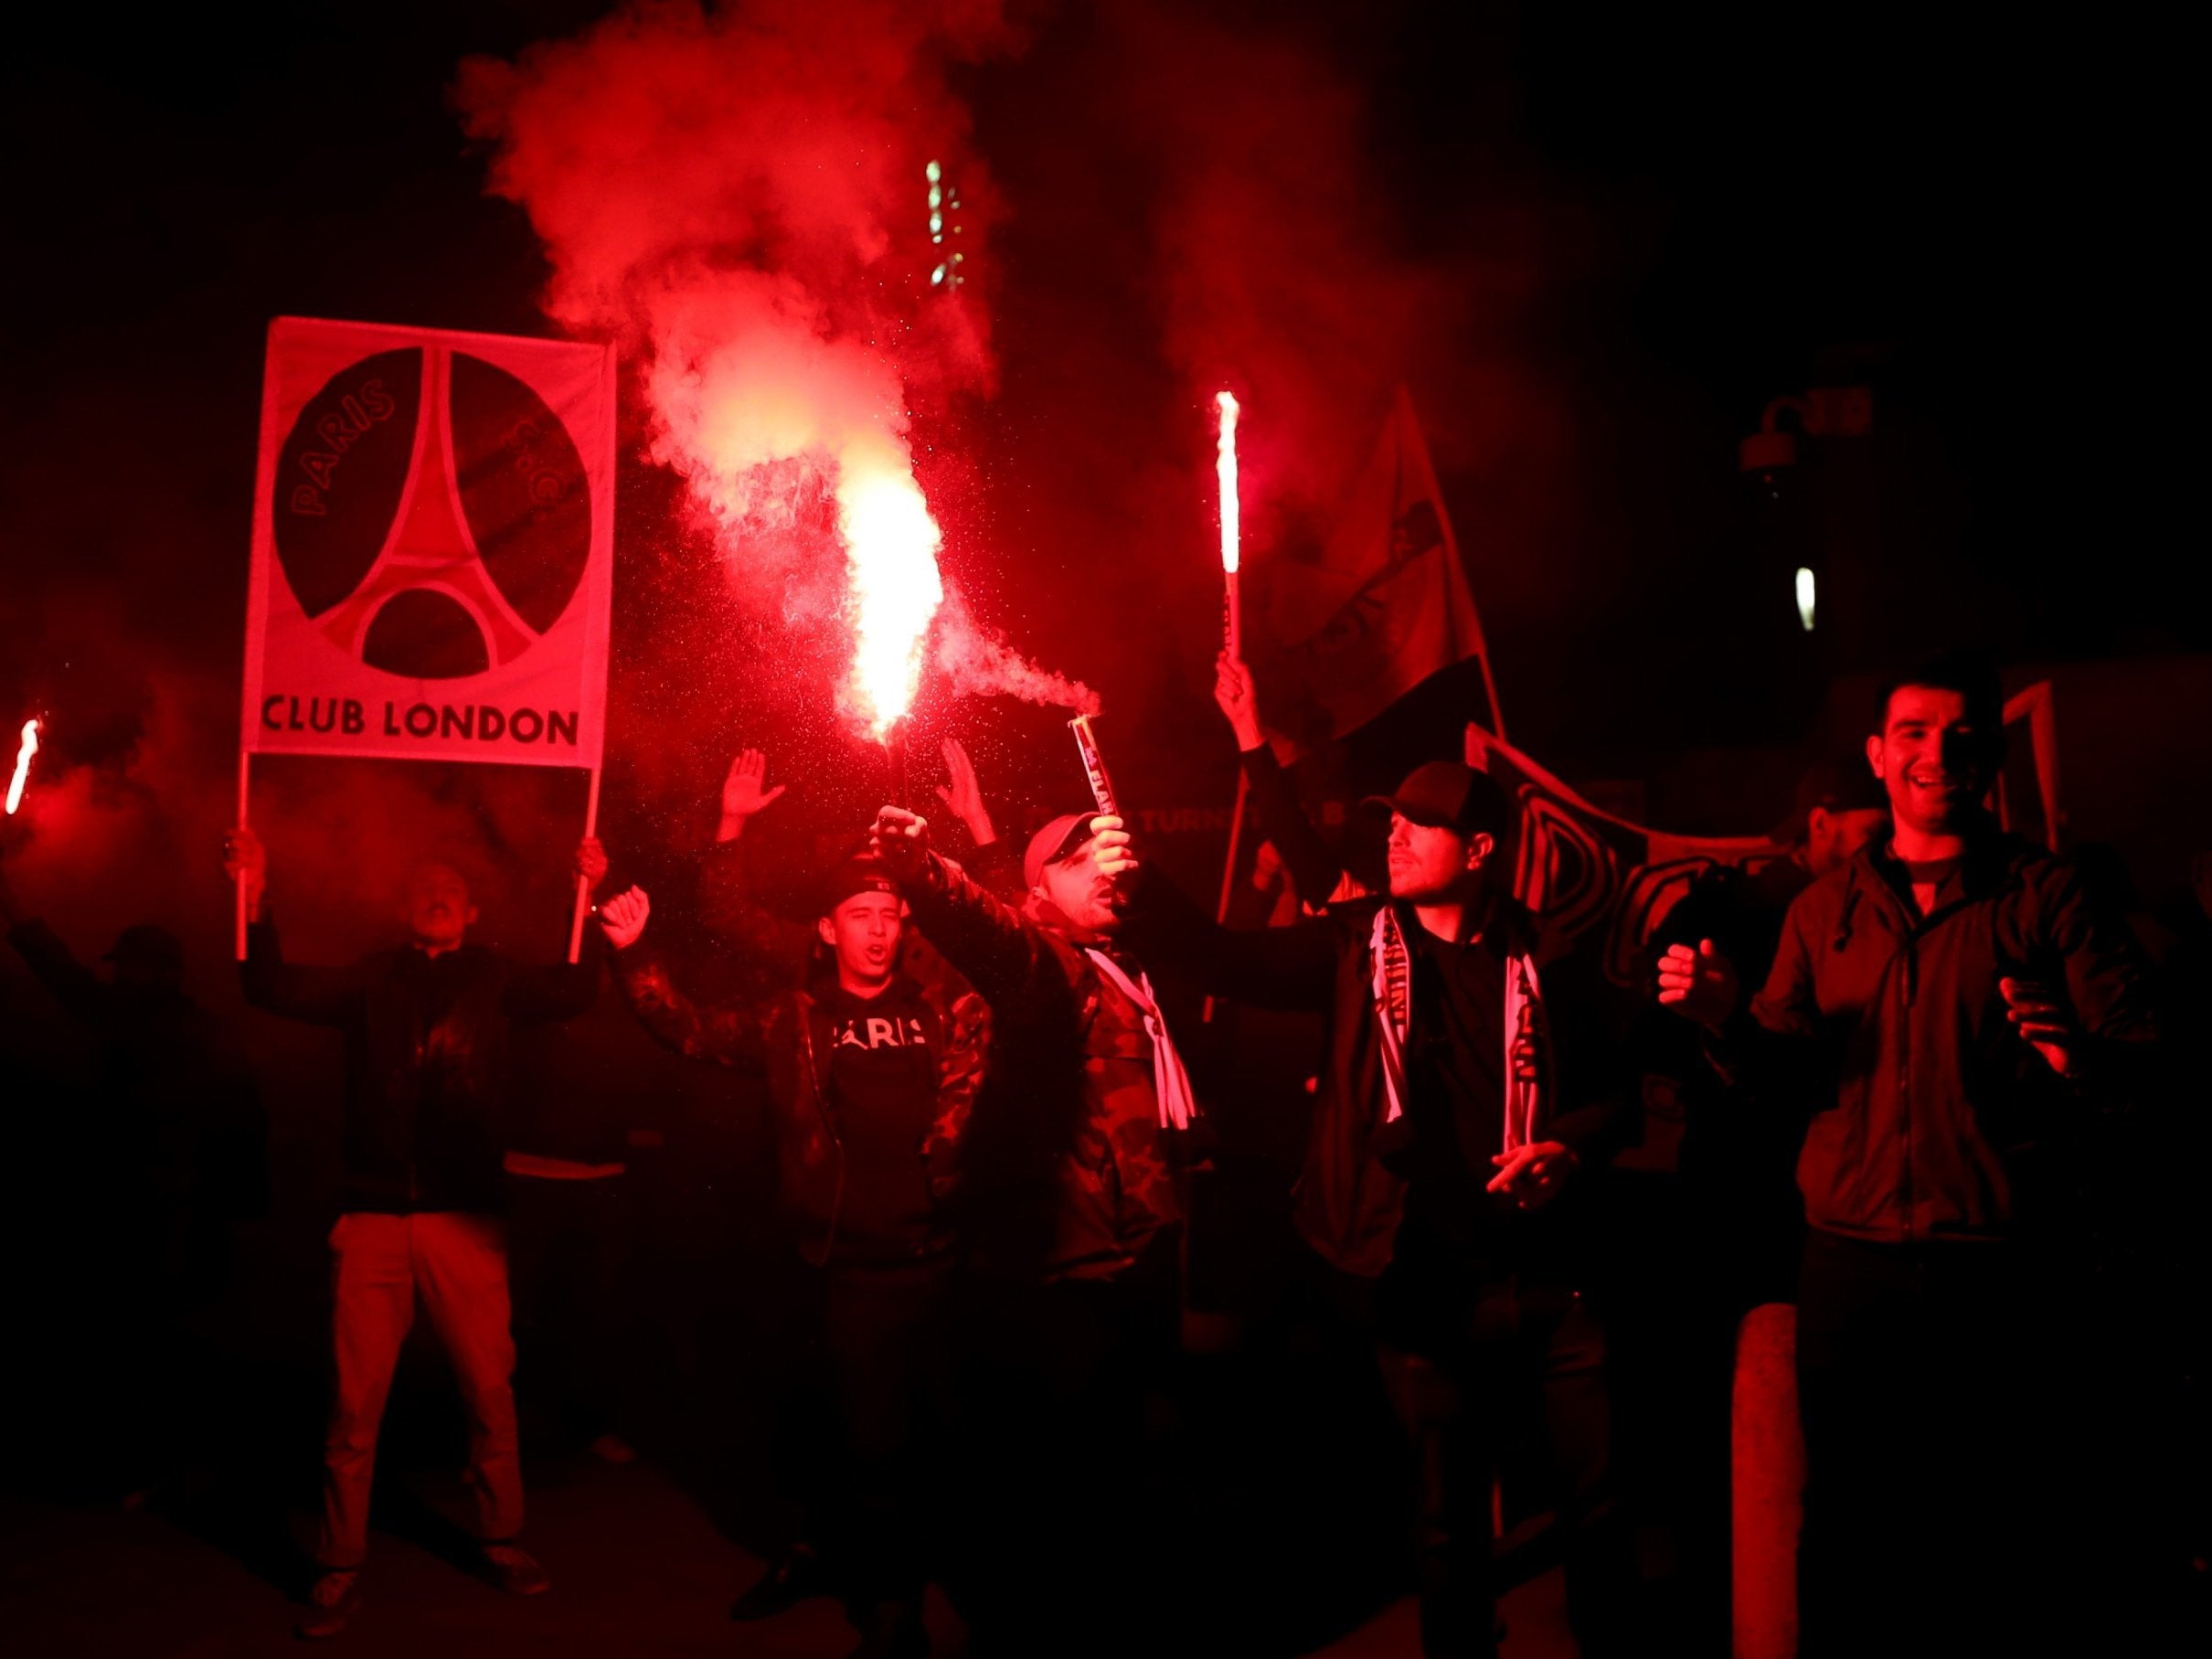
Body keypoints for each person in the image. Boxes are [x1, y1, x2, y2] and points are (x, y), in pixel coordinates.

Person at [1655, 654, 2161, 1656]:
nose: (1939, 752)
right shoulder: (1821, 909)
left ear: (1988, 756)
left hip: (1999, 1266)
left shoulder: (2045, 898)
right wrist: (1720, 1020)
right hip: (1848, 1266)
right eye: (1915, 734)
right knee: (1845, 1524)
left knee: (1996, 1531)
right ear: (1879, 759)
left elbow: (2148, 1068)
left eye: (1960, 734)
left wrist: (2077, 1058)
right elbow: (1778, 1082)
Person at [1101, 761, 1639, 1659]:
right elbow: (1222, 958)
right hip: (1421, 1278)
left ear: (1476, 850)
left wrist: (1569, 1145)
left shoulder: (1547, 953)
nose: (1391, 836)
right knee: (1444, 1520)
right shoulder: (1353, 945)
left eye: (1417, 825)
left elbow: (1618, 1092)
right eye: (1391, 821)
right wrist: (1140, 878)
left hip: (1547, 1273)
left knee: (1596, 1497)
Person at [595, 851, 987, 1659]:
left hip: (939, 1257)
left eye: (889, 917)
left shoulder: (943, 1009)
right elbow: (689, 1028)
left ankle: (899, 1579)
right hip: (841, 1265)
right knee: (848, 1434)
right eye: (860, 916)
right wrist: (633, 952)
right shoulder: (795, 1018)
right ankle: (874, 1595)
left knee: (926, 1438)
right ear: (827, 928)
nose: (878, 931)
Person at [224, 826, 605, 1639]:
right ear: (406, 910)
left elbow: (575, 990)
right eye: (423, 885)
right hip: (369, 1218)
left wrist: (590, 888)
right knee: (353, 1401)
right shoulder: (371, 980)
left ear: (471, 910)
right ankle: (338, 1560)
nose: (436, 894)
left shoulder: (497, 981)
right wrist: (254, 893)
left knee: (487, 1389)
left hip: (464, 1217)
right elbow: (269, 986)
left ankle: (500, 1538)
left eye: (450, 886)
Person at [868, 802, 1193, 1658]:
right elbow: (991, 931)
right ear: (1038, 888)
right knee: (1049, 1496)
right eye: (1076, 861)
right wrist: (921, 869)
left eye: (1110, 859)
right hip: (1063, 1275)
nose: (1104, 873)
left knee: (1127, 1485)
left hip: (1140, 1263)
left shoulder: (1132, 969)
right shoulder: (1046, 964)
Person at [0, 857, 266, 1502]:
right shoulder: (208, 1032)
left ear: (154, 972)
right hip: (184, 1209)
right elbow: (245, 1124)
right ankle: (171, 1461)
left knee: (140, 1341)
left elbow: (62, 975)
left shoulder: (135, 1021)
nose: (115, 974)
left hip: (151, 1209)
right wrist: (243, 1208)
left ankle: (148, 1466)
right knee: (166, 1339)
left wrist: (13, 903)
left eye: (125, 965)